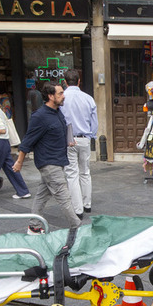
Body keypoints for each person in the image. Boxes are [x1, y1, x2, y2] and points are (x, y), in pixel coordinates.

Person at [13, 82, 80, 232]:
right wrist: (19, 162)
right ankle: (77, 226)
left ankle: (33, 226)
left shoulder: (58, 112)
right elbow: (27, 141)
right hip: (49, 163)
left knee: (42, 195)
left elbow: (59, 131)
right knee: (64, 196)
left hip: (58, 160)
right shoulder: (40, 116)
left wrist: (68, 140)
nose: (63, 96)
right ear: (50, 96)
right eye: (60, 94)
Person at [61, 69, 97, 218]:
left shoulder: (62, 98)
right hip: (84, 138)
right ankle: (87, 204)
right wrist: (91, 136)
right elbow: (94, 121)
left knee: (72, 174)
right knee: (85, 172)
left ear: (64, 82)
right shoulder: (88, 98)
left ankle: (78, 209)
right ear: (79, 81)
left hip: (69, 138)